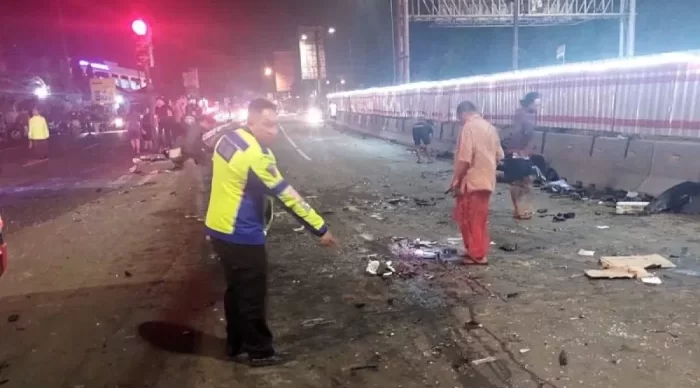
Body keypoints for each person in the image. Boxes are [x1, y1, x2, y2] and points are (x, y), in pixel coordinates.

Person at [205, 98, 337, 367]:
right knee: (252, 295)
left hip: (218, 230)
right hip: (241, 235)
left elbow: (204, 145)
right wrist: (320, 229)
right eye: (267, 125)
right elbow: (288, 197)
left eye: (276, 125)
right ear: (251, 121)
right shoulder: (257, 156)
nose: (273, 131)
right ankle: (260, 351)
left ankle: (235, 343)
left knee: (235, 290)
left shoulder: (227, 138)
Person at [450, 101, 504, 265]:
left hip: (471, 182)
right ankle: (475, 251)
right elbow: (499, 155)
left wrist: (456, 180)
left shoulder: (468, 127)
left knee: (468, 218)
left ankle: (477, 254)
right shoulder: (490, 128)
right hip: (486, 181)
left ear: (462, 113)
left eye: (459, 117)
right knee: (479, 218)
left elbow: (464, 159)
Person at [506, 92, 540, 220]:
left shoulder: (520, 113)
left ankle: (518, 209)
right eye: (537, 103)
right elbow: (525, 134)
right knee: (524, 182)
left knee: (518, 181)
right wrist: (524, 150)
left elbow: (516, 133)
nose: (538, 107)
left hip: (516, 151)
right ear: (530, 102)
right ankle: (522, 210)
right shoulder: (526, 116)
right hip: (521, 152)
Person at [182, 114, 217, 221]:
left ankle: (193, 212)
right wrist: (203, 153)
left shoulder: (197, 129)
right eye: (209, 124)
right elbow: (190, 146)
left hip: (194, 160)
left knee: (197, 187)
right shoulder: (196, 128)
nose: (210, 127)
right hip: (194, 161)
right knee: (203, 187)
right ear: (204, 121)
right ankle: (201, 214)